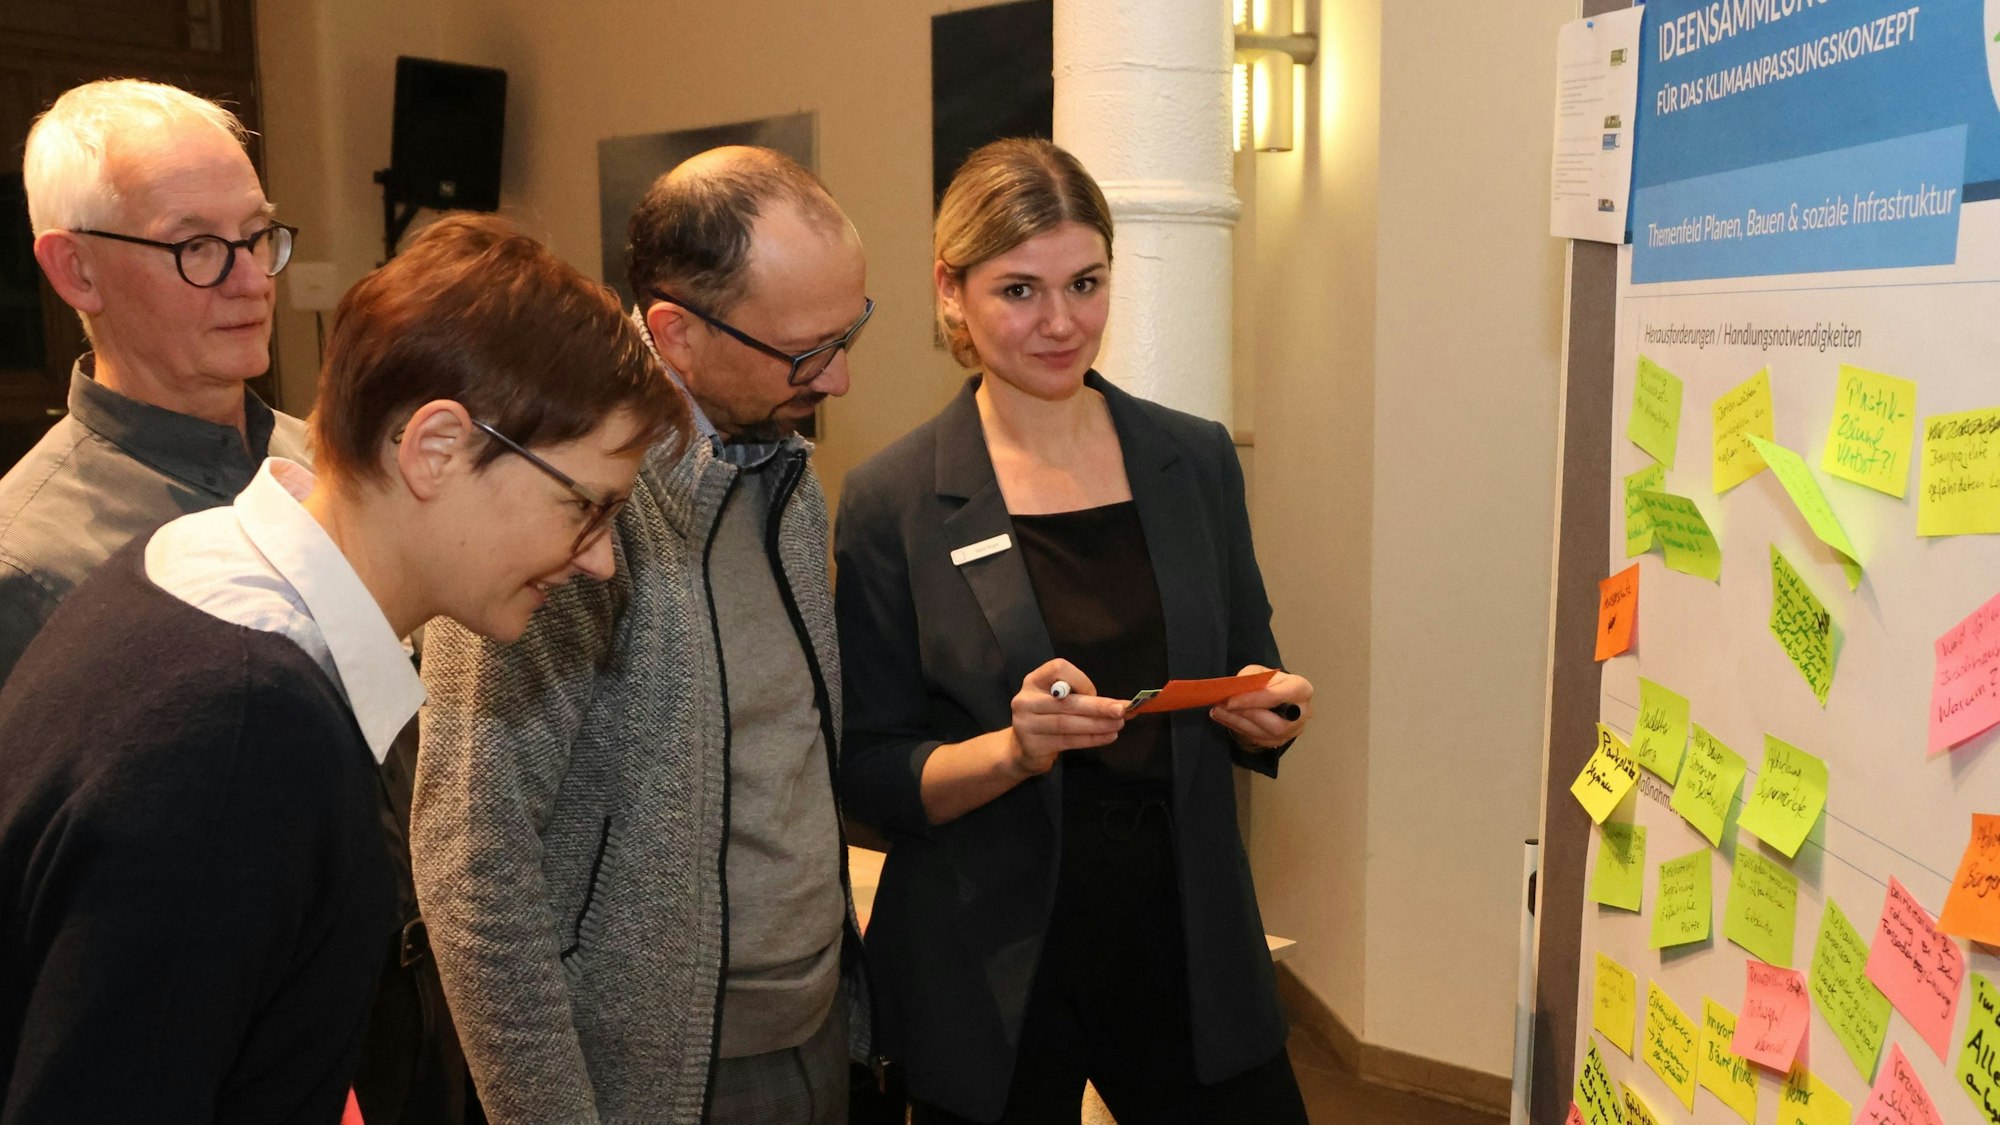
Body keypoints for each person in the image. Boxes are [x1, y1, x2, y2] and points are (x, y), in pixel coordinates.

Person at [0, 213, 683, 1124]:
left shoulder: (194, 561)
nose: (598, 559)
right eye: (586, 507)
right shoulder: (246, 725)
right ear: (436, 449)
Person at [834, 138, 1316, 1124]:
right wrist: (1012, 752)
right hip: (988, 961)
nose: (1061, 323)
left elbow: (1248, 666)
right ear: (950, 291)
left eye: (1085, 284)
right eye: (1019, 290)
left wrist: (1269, 711)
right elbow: (869, 770)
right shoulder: (893, 499)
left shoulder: (1192, 459)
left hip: (1185, 933)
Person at [414, 146, 879, 1125]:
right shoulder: (556, 500)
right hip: (652, 1073)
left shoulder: (787, 478)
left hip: (815, 1027)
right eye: (807, 351)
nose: (838, 379)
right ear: (676, 332)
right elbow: (474, 867)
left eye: (849, 334)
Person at [0, 77, 309, 686]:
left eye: (256, 235)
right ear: (77, 271)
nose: (252, 281)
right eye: (196, 245)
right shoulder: (30, 566)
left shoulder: (332, 462)